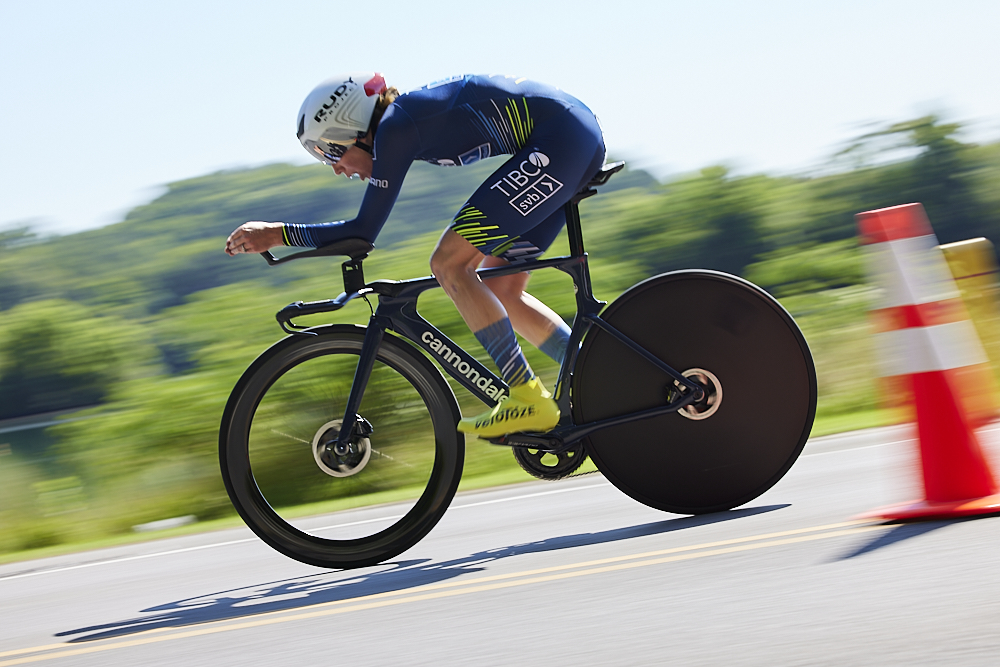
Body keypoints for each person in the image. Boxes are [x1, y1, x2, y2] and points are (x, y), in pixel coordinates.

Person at [225, 72, 606, 438]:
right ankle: (605, 375)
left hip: (561, 140)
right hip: (569, 137)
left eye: (330, 151)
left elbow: (363, 231)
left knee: (449, 264)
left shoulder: (396, 125)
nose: (336, 167)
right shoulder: (404, 121)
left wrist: (278, 233)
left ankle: (526, 393)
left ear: (352, 129)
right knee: (502, 286)